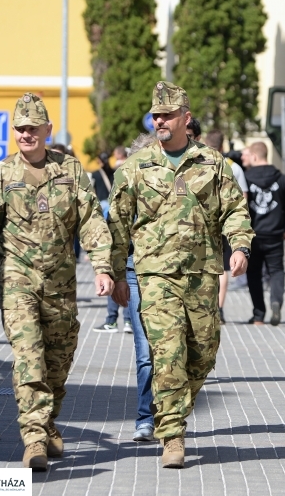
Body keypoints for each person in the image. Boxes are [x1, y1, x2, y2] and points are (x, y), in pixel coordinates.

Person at [0, 93, 115, 471]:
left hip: (61, 286)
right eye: (20, 128)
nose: (26, 134)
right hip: (18, 282)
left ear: (47, 129)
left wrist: (103, 266)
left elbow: (91, 220)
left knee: (58, 363)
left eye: (33, 128)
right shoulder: (1, 176)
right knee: (30, 360)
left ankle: (48, 421)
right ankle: (34, 439)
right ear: (14, 132)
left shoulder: (71, 171)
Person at [108, 81, 253, 468]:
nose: (160, 121)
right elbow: (118, 224)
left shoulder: (212, 163)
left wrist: (239, 246)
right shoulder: (136, 167)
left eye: (167, 115)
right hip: (155, 276)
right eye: (156, 115)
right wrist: (115, 273)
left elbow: (235, 210)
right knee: (167, 353)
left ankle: (170, 404)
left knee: (203, 352)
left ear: (185, 119)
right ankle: (172, 434)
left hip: (202, 273)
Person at [122, 132, 159, 442]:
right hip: (136, 273)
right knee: (145, 350)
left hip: (172, 275)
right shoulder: (127, 184)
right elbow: (115, 229)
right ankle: (145, 417)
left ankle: (170, 414)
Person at [240, 142, 285, 326]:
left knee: (253, 273)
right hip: (275, 234)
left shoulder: (245, 179)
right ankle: (276, 301)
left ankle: (258, 315)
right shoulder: (283, 180)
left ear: (254, 157)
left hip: (252, 234)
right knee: (276, 270)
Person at [202, 129, 248, 324]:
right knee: (222, 270)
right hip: (227, 222)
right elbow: (243, 197)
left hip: (205, 222)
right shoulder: (233, 166)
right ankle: (219, 309)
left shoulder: (200, 162)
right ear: (222, 146)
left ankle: (207, 308)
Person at [92, 149, 132, 334]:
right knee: (125, 277)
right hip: (129, 236)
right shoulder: (128, 171)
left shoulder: (111, 173)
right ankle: (127, 321)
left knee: (116, 274)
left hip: (113, 222)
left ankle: (112, 320)